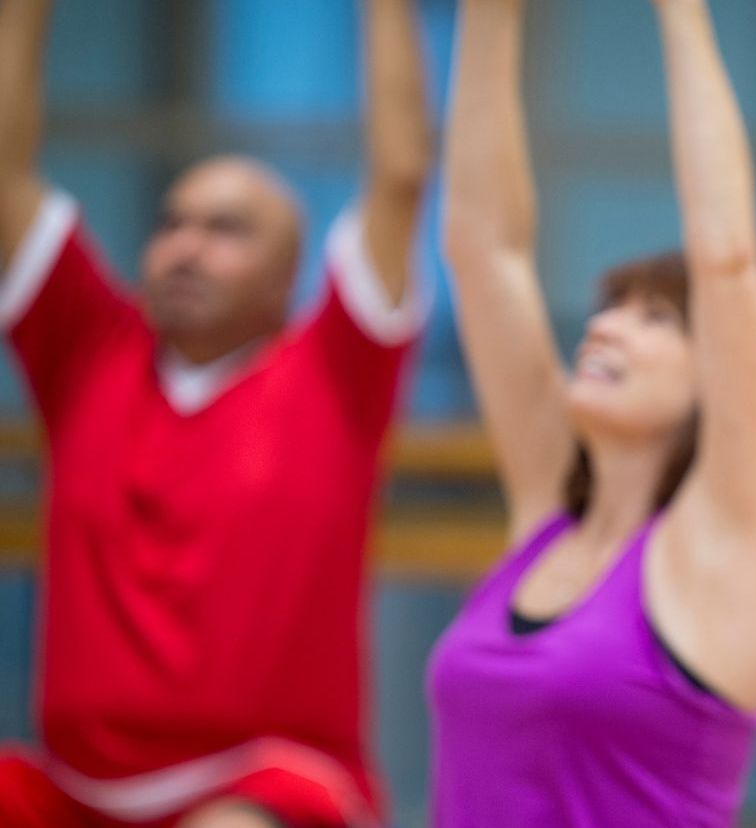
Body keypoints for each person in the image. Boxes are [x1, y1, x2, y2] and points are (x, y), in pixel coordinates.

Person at [0, 0, 432, 825]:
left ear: (287, 276)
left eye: (226, 229)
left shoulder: (338, 372)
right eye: (171, 224)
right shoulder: (86, 350)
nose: (186, 247)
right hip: (73, 787)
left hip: (266, 785)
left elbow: (402, 175)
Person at [425, 0, 756, 825]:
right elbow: (482, 245)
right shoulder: (548, 514)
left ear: (725, 370)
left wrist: (681, 17)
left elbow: (727, 258)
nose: (601, 326)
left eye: (655, 318)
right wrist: (489, 19)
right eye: (610, 307)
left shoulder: (728, 539)